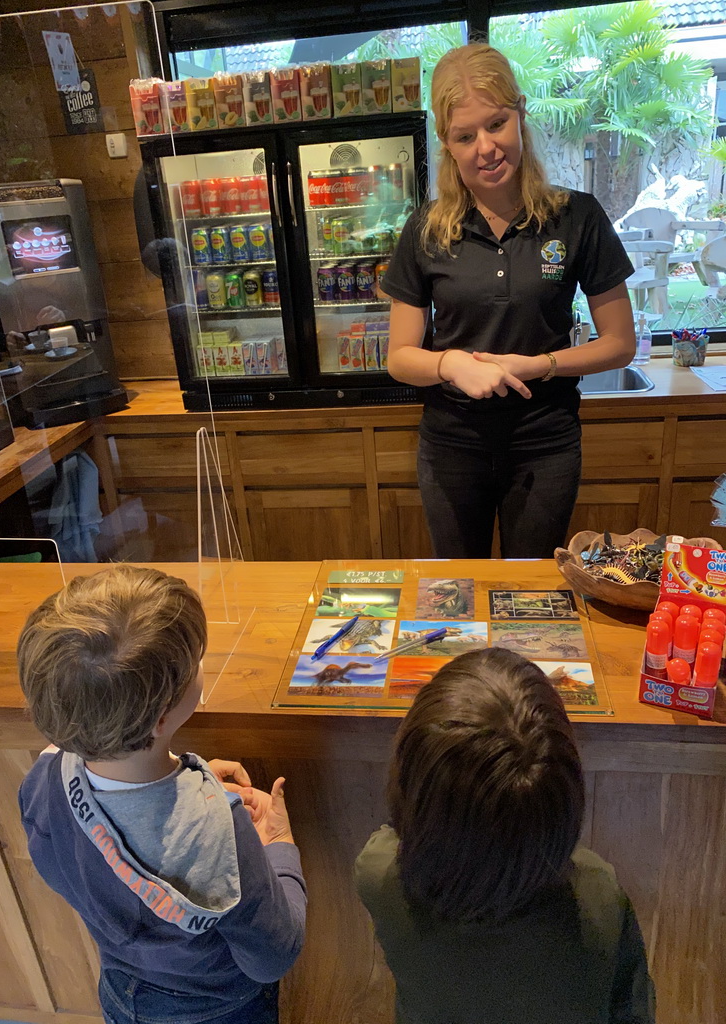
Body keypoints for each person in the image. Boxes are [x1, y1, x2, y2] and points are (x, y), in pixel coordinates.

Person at [17, 564, 306, 1024]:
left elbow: (90, 849)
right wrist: (279, 848)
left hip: (120, 989)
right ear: (160, 718)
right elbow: (273, 954)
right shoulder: (220, 828)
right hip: (217, 1008)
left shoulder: (46, 772)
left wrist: (190, 785)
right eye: (194, 664)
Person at [384, 43, 636, 558]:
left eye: (496, 124)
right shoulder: (425, 230)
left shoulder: (578, 218)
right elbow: (400, 357)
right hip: (451, 445)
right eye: (465, 135)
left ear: (520, 115)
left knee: (533, 597)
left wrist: (541, 364)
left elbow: (620, 344)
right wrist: (452, 364)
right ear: (447, 144)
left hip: (545, 443)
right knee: (461, 591)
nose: (486, 148)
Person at [355, 648, 655, 1024]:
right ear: (566, 800)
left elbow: (392, 841)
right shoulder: (599, 893)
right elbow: (632, 1009)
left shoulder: (377, 875)